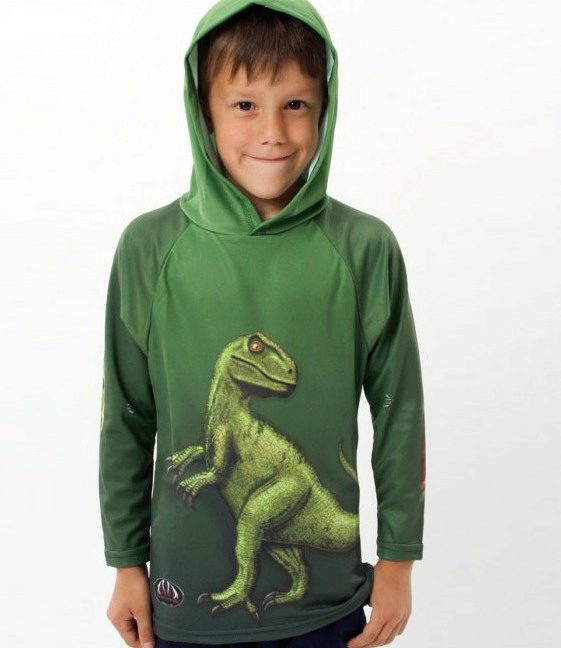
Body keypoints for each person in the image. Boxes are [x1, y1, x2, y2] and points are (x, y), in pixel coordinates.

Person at [98, 1, 426, 647]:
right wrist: (125, 562)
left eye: (296, 104)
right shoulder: (149, 247)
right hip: (181, 604)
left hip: (330, 607)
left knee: (261, 518)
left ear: (325, 110)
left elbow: (399, 410)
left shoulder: (364, 247)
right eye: (245, 105)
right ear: (204, 113)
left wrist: (398, 559)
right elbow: (126, 416)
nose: (272, 132)